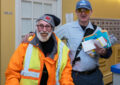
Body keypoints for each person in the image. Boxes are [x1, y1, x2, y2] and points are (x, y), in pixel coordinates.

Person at [5, 14, 74, 85]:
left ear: (52, 29)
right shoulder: (26, 45)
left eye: (48, 26)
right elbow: (12, 73)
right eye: (41, 26)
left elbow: (66, 76)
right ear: (36, 27)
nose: (44, 30)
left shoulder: (63, 49)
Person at [55, 0, 112, 85]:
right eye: (80, 10)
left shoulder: (98, 30)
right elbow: (50, 38)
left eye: (86, 10)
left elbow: (108, 53)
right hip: (75, 76)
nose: (83, 13)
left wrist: (103, 52)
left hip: (95, 77)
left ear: (91, 12)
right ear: (76, 12)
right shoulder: (67, 28)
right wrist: (33, 34)